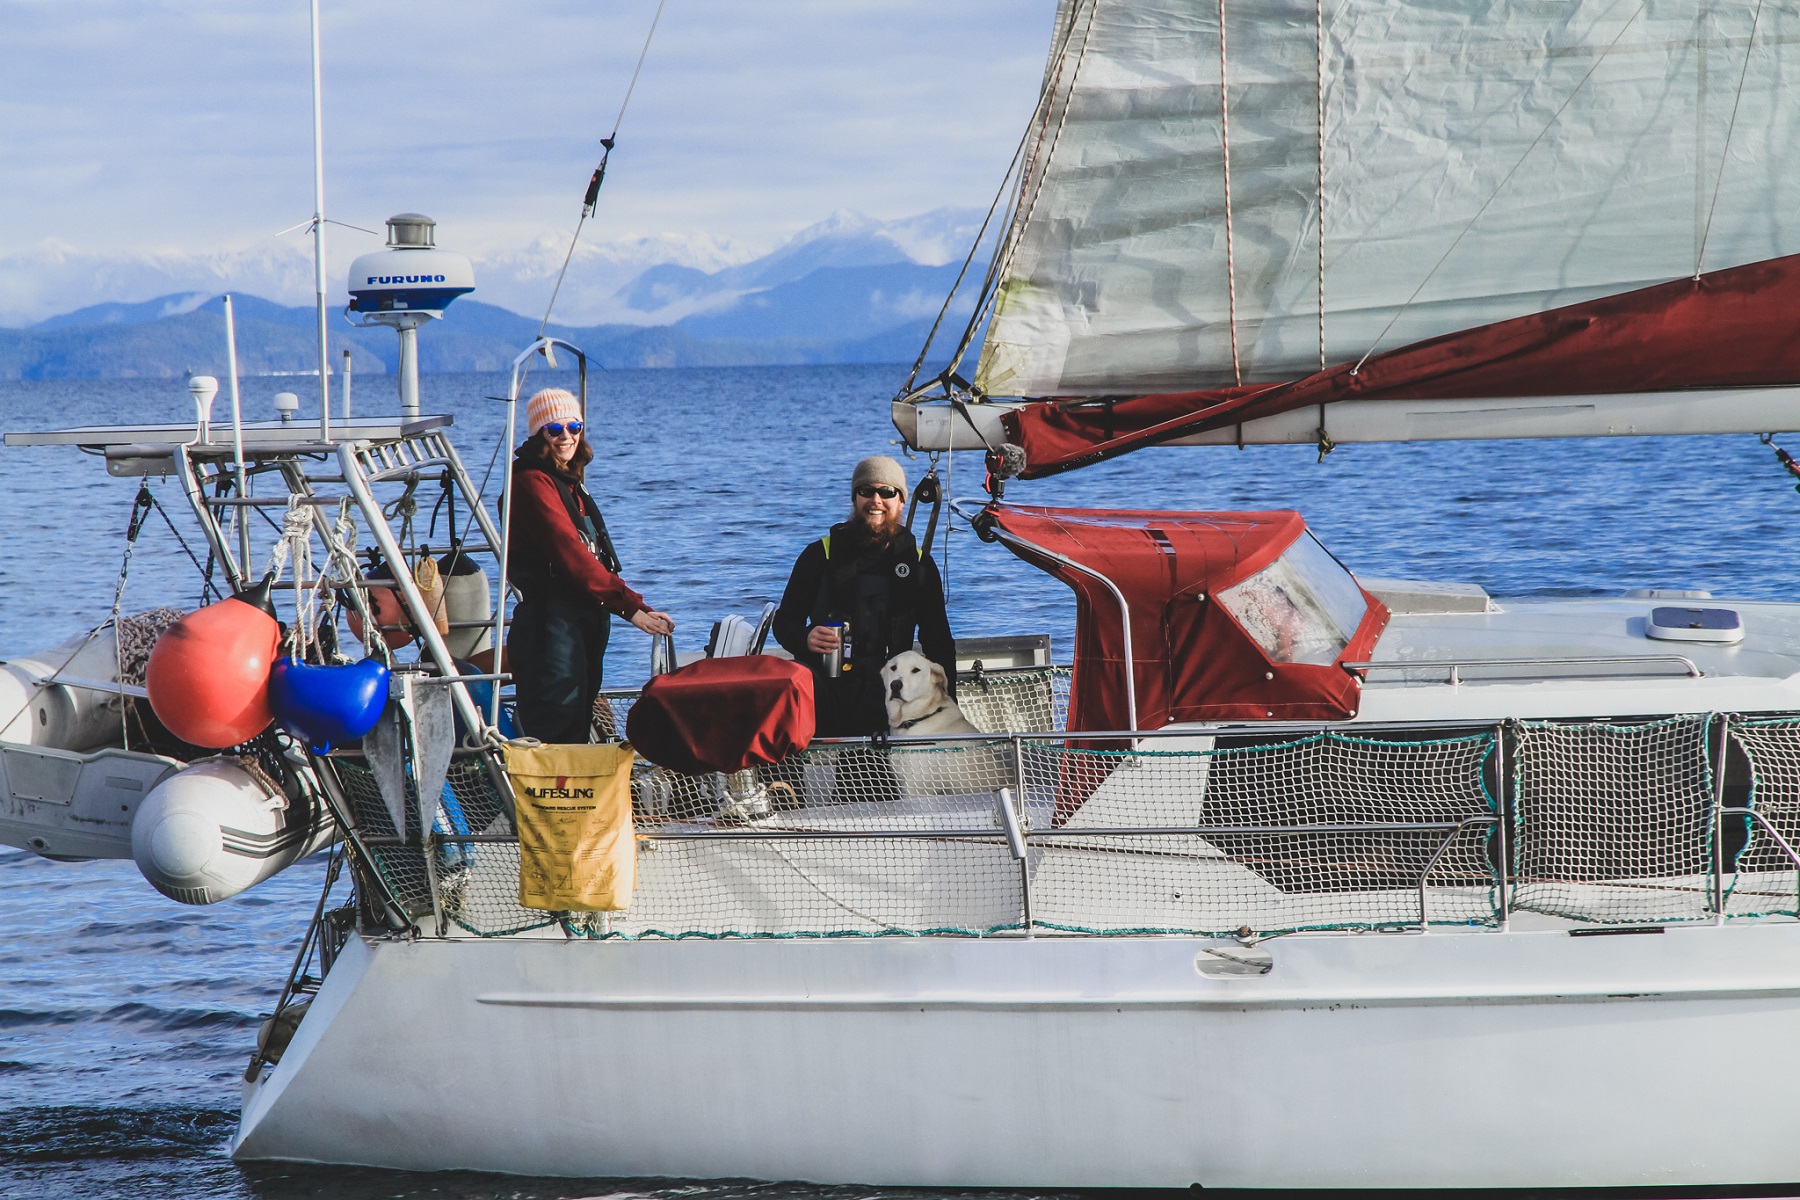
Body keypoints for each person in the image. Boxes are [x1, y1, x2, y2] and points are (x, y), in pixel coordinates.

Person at [506, 387, 673, 743]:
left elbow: (592, 558)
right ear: (538, 433)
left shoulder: (568, 481)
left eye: (574, 426)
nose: (566, 436)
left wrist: (638, 604)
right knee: (558, 729)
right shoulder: (530, 482)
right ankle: (554, 797)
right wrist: (630, 609)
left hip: (581, 621)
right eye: (554, 429)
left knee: (579, 720)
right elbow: (571, 554)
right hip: (550, 628)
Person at [774, 456, 954, 737]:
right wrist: (806, 637)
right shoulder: (819, 555)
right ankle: (785, 783)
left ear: (901, 501)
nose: (876, 500)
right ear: (855, 498)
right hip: (828, 684)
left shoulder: (919, 565)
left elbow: (938, 640)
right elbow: (784, 622)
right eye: (866, 491)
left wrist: (949, 702)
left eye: (887, 492)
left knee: (878, 776)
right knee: (785, 701)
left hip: (890, 690)